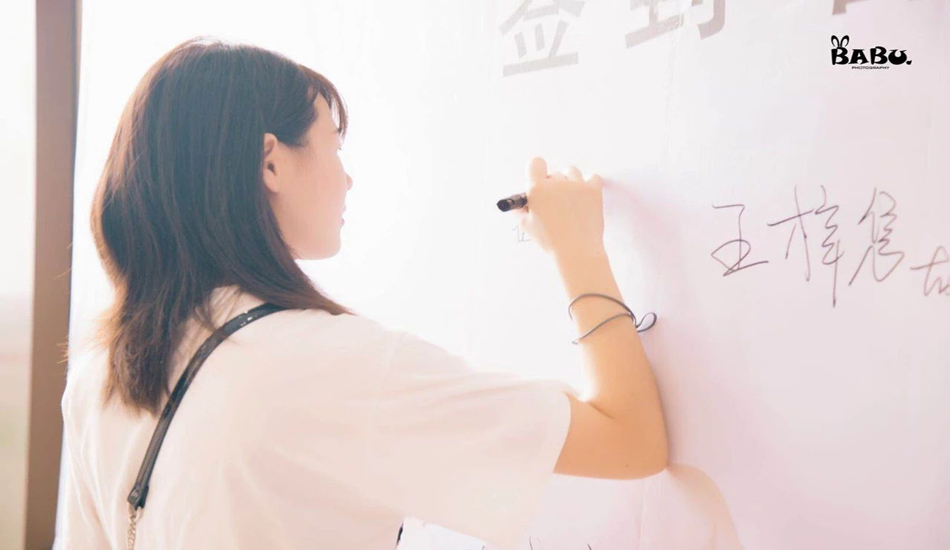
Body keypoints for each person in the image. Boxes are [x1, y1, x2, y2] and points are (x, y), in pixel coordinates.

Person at [57, 36, 669, 550]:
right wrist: (579, 251)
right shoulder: (331, 365)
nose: (347, 178)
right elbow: (630, 440)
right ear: (270, 162)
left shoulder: (100, 373)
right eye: (334, 145)